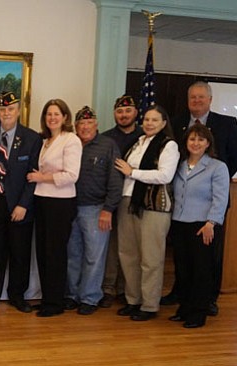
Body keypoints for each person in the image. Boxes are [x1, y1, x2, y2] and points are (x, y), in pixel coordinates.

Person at [163, 81, 237, 314]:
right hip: (182, 209)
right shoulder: (176, 123)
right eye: (193, 98)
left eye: (201, 97)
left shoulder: (226, 123)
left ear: (210, 99)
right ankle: (181, 294)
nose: (197, 101)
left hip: (209, 207)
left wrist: (212, 176)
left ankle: (208, 299)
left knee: (208, 258)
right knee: (182, 256)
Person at [0, 91, 42, 313]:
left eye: (11, 109)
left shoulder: (32, 138)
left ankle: (17, 296)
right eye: (3, 109)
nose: (6, 113)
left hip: (19, 204)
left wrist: (24, 204)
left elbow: (34, 176)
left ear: (18, 110)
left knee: (19, 252)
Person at [114, 105, 179, 321]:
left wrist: (132, 172)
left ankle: (150, 305)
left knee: (151, 257)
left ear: (163, 123)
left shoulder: (168, 145)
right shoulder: (137, 142)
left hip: (152, 206)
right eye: (147, 119)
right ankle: (133, 300)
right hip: (128, 201)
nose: (149, 123)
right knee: (128, 254)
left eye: (154, 120)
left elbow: (165, 176)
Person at [169, 123, 229, 328]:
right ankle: (184, 308)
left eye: (200, 140)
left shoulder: (217, 167)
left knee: (201, 271)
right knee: (183, 270)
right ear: (186, 142)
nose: (196, 143)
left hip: (203, 225)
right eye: (192, 139)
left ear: (208, 143)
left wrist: (211, 222)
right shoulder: (180, 164)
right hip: (179, 223)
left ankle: (198, 313)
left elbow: (220, 199)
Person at [65, 106, 123, 315]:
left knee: (94, 256)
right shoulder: (70, 144)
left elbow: (116, 180)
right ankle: (72, 295)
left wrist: (108, 209)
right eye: (82, 123)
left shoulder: (108, 145)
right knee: (73, 255)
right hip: (70, 207)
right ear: (76, 126)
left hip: (96, 209)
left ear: (96, 124)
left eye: (90, 123)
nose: (86, 127)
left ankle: (89, 298)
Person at [27, 99, 82, 317]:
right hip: (42, 200)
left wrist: (42, 177)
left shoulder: (71, 140)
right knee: (43, 251)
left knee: (55, 253)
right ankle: (47, 298)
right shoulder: (45, 140)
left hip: (60, 202)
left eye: (56, 114)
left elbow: (71, 175)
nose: (52, 118)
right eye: (49, 114)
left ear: (65, 117)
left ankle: (55, 303)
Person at [99, 95, 143, 308]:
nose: (124, 115)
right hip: (109, 197)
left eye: (128, 110)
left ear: (135, 112)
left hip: (135, 198)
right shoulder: (106, 138)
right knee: (111, 245)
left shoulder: (146, 137)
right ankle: (108, 288)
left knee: (130, 246)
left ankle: (128, 289)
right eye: (119, 111)